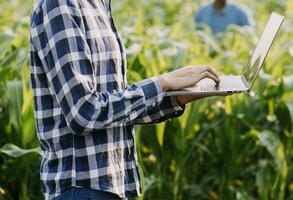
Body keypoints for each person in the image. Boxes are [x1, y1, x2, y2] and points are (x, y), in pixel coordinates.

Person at [30, 0, 230, 199]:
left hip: (110, 187)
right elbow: (84, 112)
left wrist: (177, 97)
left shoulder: (98, 4)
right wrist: (162, 83)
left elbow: (114, 108)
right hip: (81, 188)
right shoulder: (60, 4)